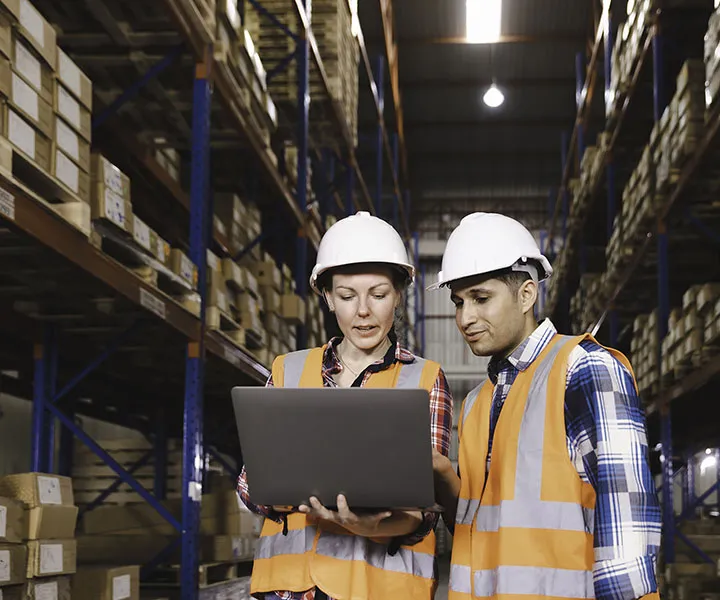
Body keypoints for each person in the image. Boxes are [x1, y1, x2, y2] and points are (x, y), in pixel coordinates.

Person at [429, 212, 661, 600]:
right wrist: (440, 477)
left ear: (527, 294)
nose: (465, 317)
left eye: (481, 298)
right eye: (458, 302)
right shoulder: (474, 404)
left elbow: (626, 537)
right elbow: (483, 530)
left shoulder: (582, 370)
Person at [237, 211, 454, 600]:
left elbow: (426, 512)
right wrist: (291, 494)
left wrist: (369, 524)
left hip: (379, 592)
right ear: (327, 297)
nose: (363, 311)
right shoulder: (288, 369)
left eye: (379, 294)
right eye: (347, 296)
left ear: (400, 293)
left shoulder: (424, 379)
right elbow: (250, 484)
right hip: (291, 590)